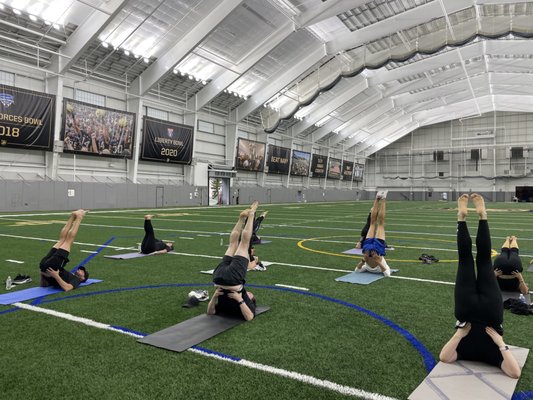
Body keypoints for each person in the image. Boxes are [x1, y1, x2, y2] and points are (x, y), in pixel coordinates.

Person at [439, 194, 521, 379]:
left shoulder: (470, 353)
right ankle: (473, 216)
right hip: (487, 312)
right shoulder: (495, 355)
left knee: (475, 261)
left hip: (469, 312)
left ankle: (468, 216)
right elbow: (515, 373)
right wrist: (500, 343)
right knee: (475, 261)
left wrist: (460, 335)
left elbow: (444, 357)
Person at [207, 202, 259, 321]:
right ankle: (242, 218)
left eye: (251, 295)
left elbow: (250, 317)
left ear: (251, 299)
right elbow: (210, 312)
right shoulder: (235, 301)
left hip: (232, 279)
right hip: (218, 277)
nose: (250, 293)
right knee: (233, 244)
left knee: (243, 244)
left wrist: (216, 297)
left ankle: (250, 215)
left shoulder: (245, 300)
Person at [39, 210, 90, 292]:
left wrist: (55, 276)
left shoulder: (77, 281)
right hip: (48, 267)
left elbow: (67, 288)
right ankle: (73, 216)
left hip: (50, 267)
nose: (80, 270)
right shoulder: (71, 275)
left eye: (82, 271)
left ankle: (79, 217)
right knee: (62, 240)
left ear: (83, 278)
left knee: (68, 240)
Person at [354, 193, 391, 276]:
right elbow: (387, 274)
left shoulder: (366, 268)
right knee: (379, 224)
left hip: (368, 250)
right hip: (377, 250)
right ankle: (382, 198)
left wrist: (363, 260)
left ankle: (378, 198)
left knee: (373, 223)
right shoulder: (380, 268)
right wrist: (378, 262)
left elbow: (357, 270)